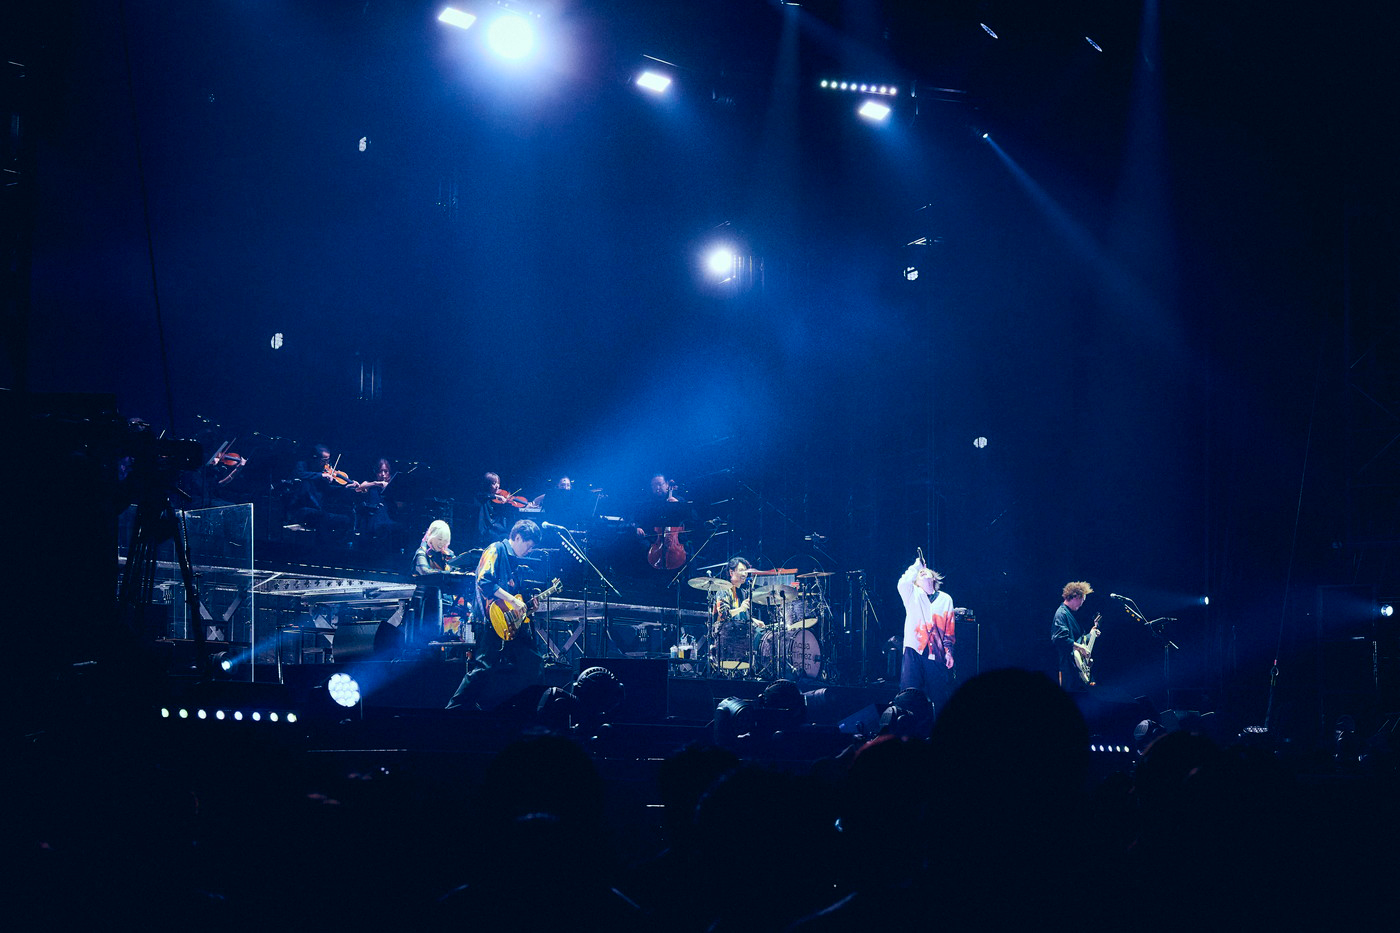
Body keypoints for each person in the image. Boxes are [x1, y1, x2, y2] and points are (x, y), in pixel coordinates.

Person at [446, 519, 544, 710]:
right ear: (518, 537)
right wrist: (513, 600)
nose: (530, 550)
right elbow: (485, 581)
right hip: (489, 620)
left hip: (510, 624)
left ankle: (530, 711)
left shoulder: (516, 563)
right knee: (484, 668)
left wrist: (528, 607)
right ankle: (453, 709)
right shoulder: (495, 549)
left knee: (534, 662)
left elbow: (515, 599)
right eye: (529, 545)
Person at [896, 556, 955, 709]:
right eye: (919, 573)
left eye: (925, 571)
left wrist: (949, 652)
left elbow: (949, 630)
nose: (922, 572)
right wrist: (917, 565)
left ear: (933, 577)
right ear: (916, 581)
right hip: (913, 651)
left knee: (939, 696)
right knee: (909, 695)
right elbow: (903, 583)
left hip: (936, 653)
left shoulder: (946, 599)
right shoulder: (912, 594)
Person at [287, 444, 353, 534]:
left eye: (328, 460)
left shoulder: (321, 474)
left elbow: (328, 490)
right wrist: (320, 475)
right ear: (315, 458)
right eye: (324, 460)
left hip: (317, 510)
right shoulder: (302, 466)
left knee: (346, 518)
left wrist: (345, 488)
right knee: (323, 518)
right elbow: (300, 474)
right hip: (300, 509)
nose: (327, 464)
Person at [1051, 581, 1095, 692]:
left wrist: (1091, 634)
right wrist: (1081, 647)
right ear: (1075, 596)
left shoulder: (1070, 614)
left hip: (1076, 666)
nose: (1082, 604)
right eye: (1082, 600)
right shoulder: (1061, 614)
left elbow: (1078, 640)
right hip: (1069, 667)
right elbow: (1059, 639)